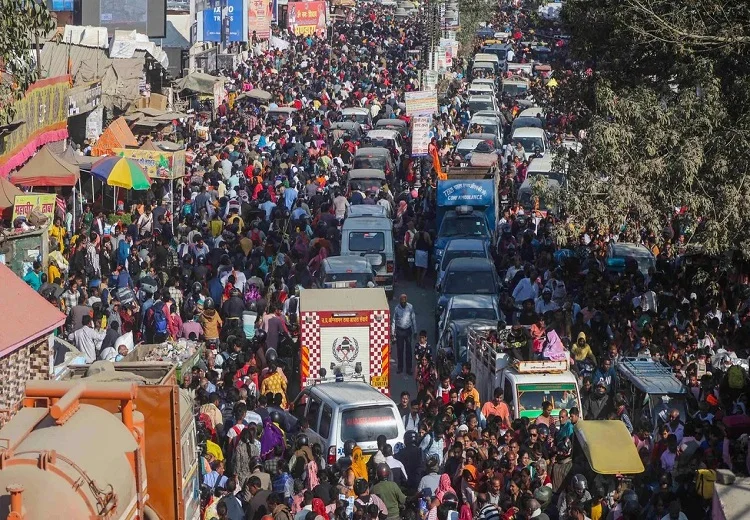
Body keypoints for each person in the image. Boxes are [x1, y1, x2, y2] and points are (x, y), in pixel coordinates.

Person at [391, 294, 417, 375]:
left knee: (408, 351)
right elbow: (394, 321)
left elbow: (413, 319)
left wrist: (415, 331)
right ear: (400, 302)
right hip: (399, 331)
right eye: (402, 302)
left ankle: (409, 369)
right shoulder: (396, 308)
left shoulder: (410, 307)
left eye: (404, 302)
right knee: (400, 350)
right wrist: (393, 333)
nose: (403, 304)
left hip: (408, 330)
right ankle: (400, 368)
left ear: (406, 301)